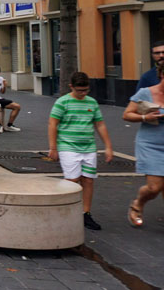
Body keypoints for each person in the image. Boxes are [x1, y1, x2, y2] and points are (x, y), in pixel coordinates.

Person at [48, 71, 113, 231]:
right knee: (72, 180)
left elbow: (100, 124)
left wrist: (108, 146)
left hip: (88, 147)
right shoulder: (63, 102)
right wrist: (53, 147)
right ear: (71, 87)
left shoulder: (92, 103)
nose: (83, 93)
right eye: (80, 90)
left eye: (86, 90)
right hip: (68, 146)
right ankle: (63, 210)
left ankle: (86, 213)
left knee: (88, 180)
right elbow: (52, 124)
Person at [121, 59, 164, 228]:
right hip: (151, 144)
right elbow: (127, 115)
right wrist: (146, 117)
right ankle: (138, 203)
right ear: (161, 75)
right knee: (154, 187)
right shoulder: (145, 93)